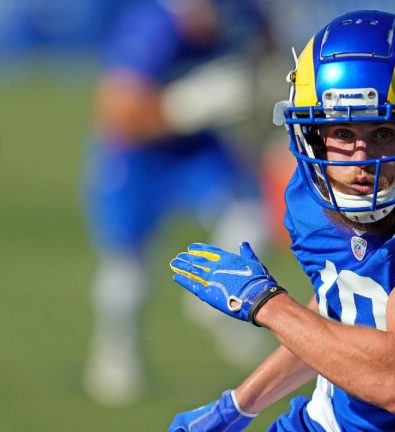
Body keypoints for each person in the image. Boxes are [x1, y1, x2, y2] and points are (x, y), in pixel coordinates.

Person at [168, 9, 395, 431]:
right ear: (313, 135)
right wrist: (238, 404)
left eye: (382, 133)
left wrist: (267, 304)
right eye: (343, 134)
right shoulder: (313, 200)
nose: (361, 160)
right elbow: (340, 309)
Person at [82, 0, 272, 406]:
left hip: (196, 148)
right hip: (138, 156)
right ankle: (117, 353)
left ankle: (217, 297)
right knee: (127, 265)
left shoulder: (243, 13)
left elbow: (274, 54)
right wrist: (190, 102)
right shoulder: (151, 28)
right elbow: (121, 114)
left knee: (250, 211)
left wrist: (263, 85)